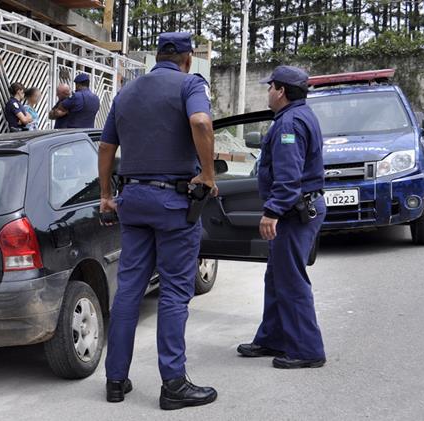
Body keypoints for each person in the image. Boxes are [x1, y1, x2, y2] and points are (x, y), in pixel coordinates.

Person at [98, 32, 218, 411]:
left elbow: (105, 147)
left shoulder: (127, 93)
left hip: (131, 200)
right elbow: (201, 122)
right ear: (187, 58)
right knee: (174, 293)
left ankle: (115, 380)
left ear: (156, 56)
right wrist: (210, 176)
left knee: (129, 290)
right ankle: (174, 384)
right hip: (173, 203)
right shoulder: (190, 84)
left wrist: (105, 194)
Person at [236, 65, 327, 369]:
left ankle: (307, 350)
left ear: (281, 91)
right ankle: (273, 337)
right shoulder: (297, 116)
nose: (267, 92)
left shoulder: (289, 123)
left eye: (269, 86)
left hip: (293, 212)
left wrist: (272, 212)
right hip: (297, 209)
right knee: (276, 277)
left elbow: (289, 177)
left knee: (290, 280)